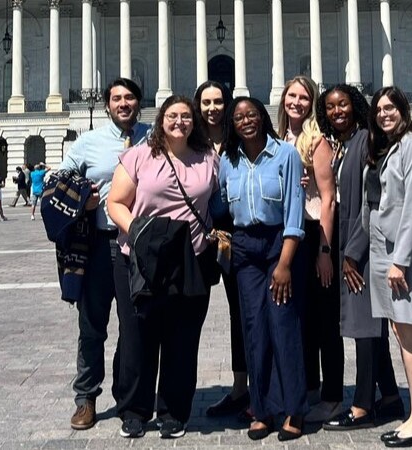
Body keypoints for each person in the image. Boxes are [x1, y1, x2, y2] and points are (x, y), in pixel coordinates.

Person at [107, 95, 217, 439]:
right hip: (141, 258)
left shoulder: (208, 158)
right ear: (161, 120)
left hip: (190, 257)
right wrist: (138, 234)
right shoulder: (140, 155)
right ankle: (135, 410)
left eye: (186, 116)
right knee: (138, 336)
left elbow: (222, 201)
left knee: (182, 338)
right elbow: (115, 203)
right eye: (173, 115)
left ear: (193, 122)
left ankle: (174, 410)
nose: (180, 121)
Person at [58, 77, 151, 431]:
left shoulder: (153, 138)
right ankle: (86, 398)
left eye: (129, 98)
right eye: (116, 99)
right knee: (92, 325)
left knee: (134, 326)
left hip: (138, 245)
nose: (123, 104)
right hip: (99, 243)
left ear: (138, 103)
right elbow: (58, 183)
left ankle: (129, 398)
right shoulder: (87, 142)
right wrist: (84, 199)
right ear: (108, 103)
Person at [217, 97, 307, 441]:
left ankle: (294, 408)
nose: (245, 121)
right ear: (233, 124)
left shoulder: (285, 154)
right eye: (238, 117)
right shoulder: (228, 160)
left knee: (283, 324)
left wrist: (284, 263)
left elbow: (294, 210)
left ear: (262, 117)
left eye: (251, 114)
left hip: (278, 245)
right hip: (244, 246)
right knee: (253, 328)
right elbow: (220, 202)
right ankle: (262, 409)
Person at [315, 84, 404, 432]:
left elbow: (375, 204)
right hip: (349, 246)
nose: (338, 111)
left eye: (344, 105)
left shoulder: (368, 140)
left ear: (356, 106)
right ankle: (393, 397)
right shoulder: (345, 144)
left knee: (366, 329)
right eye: (332, 107)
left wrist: (352, 254)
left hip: (362, 249)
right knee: (370, 329)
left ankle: (363, 405)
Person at [363, 86, 412, 447]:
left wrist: (401, 261)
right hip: (385, 247)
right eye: (379, 109)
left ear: (403, 109)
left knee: (407, 333)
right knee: (400, 331)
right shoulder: (387, 145)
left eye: (391, 107)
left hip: (401, 253)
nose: (384, 114)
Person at [276, 75, 343, 423]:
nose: (297, 102)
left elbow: (329, 199)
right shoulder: (282, 139)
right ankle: (311, 388)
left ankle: (332, 395)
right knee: (303, 319)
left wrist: (325, 251)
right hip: (294, 234)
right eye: (292, 96)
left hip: (317, 232)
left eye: (304, 97)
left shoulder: (317, 140)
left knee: (325, 320)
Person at [193, 81, 251, 418]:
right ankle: (175, 390)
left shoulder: (239, 139)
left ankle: (242, 387)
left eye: (218, 101)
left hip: (233, 236)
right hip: (199, 236)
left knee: (241, 311)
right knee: (188, 312)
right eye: (206, 102)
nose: (212, 108)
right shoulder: (191, 141)